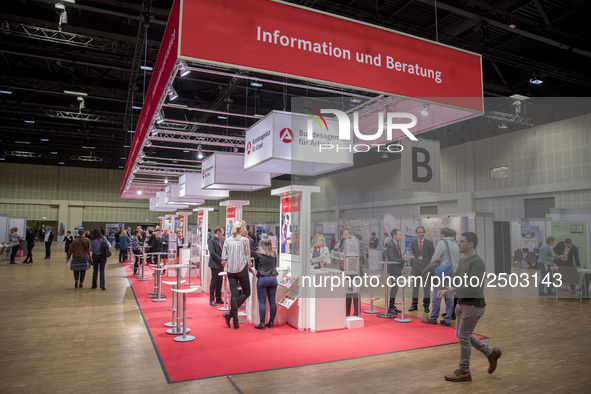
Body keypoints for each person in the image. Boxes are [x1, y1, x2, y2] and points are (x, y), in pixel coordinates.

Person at [438, 232, 502, 382]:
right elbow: (456, 279)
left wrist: (453, 290)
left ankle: (464, 371)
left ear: (471, 244)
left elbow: (473, 286)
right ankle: (491, 352)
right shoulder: (462, 260)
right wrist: (447, 287)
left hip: (473, 305)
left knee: (464, 337)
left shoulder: (477, 262)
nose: (458, 244)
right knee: (461, 335)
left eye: (462, 241)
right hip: (462, 303)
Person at [422, 228, 460, 326]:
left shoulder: (442, 243)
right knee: (450, 296)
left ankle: (433, 317)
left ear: (443, 234)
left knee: (437, 294)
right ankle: (447, 319)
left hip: (442, 273)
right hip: (453, 273)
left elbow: (435, 257)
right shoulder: (456, 244)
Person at [221, 219, 254, 330]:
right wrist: (249, 266)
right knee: (247, 292)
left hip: (230, 270)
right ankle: (230, 314)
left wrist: (227, 260)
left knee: (233, 295)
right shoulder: (245, 240)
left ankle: (235, 320)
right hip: (242, 269)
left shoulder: (227, 240)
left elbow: (224, 257)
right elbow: (247, 255)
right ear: (242, 229)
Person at [253, 236, 279, 330]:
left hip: (263, 278)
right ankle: (271, 322)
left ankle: (262, 323)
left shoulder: (257, 254)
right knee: (272, 301)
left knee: (262, 302)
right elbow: (275, 265)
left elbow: (256, 267)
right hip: (273, 278)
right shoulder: (274, 254)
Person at [409, 226, 435, 312]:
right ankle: (414, 304)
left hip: (426, 268)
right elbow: (415, 254)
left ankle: (426, 305)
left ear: (424, 233)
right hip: (416, 267)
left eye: (422, 232)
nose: (420, 234)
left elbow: (432, 256)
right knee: (415, 287)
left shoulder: (429, 243)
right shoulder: (413, 243)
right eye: (418, 232)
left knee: (426, 287)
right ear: (416, 233)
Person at [385, 228, 404, 317]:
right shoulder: (391, 244)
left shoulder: (396, 244)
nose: (401, 236)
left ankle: (392, 305)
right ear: (394, 236)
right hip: (393, 269)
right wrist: (402, 261)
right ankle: (391, 306)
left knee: (395, 287)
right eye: (399, 235)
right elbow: (391, 257)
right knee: (395, 287)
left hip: (397, 269)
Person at [207, 226, 225, 306]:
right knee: (214, 282)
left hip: (221, 264)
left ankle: (218, 298)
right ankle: (211, 299)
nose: (223, 233)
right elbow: (212, 253)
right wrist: (221, 260)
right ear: (218, 232)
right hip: (215, 264)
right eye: (222, 231)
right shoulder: (212, 240)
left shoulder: (222, 240)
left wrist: (224, 260)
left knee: (220, 282)